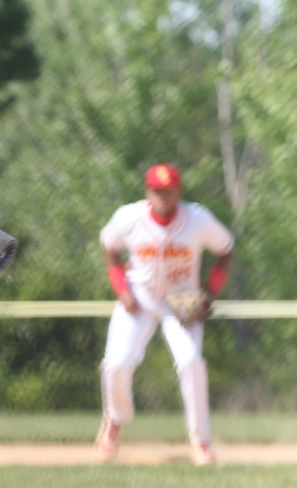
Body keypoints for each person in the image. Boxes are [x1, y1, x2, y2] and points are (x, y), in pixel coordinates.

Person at [95, 164, 235, 465]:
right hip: (140, 298)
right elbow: (109, 247)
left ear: (178, 192)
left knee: (191, 362)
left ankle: (201, 442)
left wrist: (210, 293)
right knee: (115, 363)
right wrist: (121, 290)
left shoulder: (197, 219)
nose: (162, 196)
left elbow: (225, 249)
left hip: (182, 300)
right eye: (157, 190)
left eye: (168, 191)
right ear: (147, 191)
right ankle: (115, 421)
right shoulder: (129, 217)